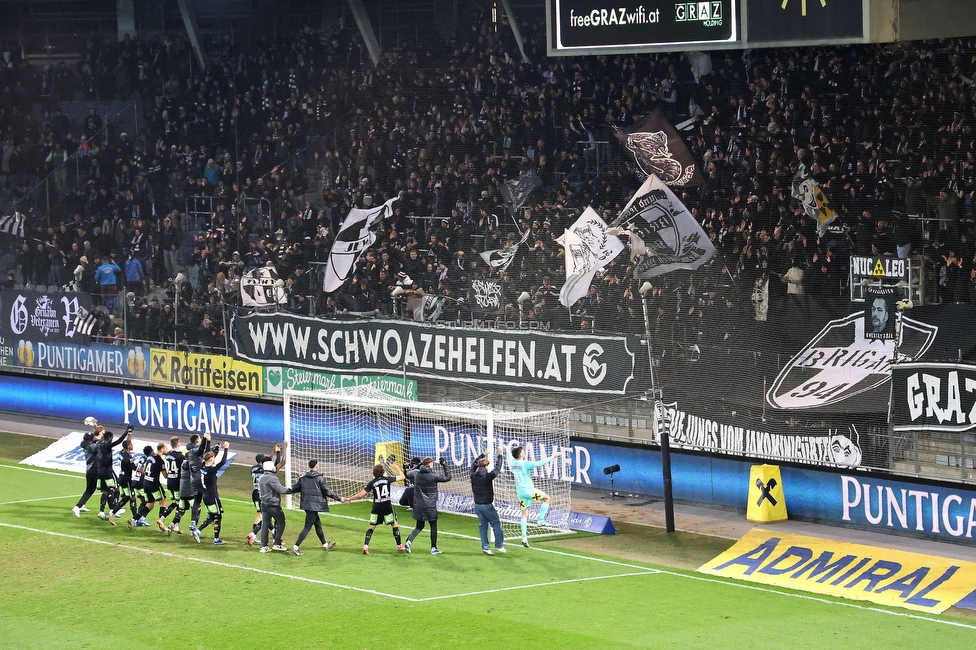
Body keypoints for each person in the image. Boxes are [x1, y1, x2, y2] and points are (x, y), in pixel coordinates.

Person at [343, 462, 406, 555]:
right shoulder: (387, 479)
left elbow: (361, 495)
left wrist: (350, 499)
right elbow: (402, 477)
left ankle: (366, 546)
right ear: (383, 472)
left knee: (372, 527)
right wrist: (397, 469)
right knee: (394, 524)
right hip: (386, 507)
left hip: (376, 507)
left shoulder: (372, 483)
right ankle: (399, 545)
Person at [509, 444, 564, 547]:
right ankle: (541, 520)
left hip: (520, 494)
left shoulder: (512, 462)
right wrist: (553, 456)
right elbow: (539, 463)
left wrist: (506, 449)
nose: (524, 452)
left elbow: (509, 455)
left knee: (524, 514)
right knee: (547, 498)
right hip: (529, 492)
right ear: (520, 454)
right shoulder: (525, 463)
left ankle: (524, 538)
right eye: (523, 451)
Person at [288, 459, 342, 555]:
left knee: (317, 525)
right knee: (307, 527)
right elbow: (327, 491)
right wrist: (339, 498)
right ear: (316, 466)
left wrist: (283, 490)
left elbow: (294, 488)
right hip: (314, 506)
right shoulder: (319, 478)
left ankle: (325, 545)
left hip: (306, 505)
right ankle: (295, 547)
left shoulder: (303, 478)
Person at [405, 457, 451, 555]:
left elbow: (407, 473)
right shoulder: (434, 475)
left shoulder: (416, 474)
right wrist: (444, 465)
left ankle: (409, 541)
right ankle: (433, 548)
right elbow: (448, 477)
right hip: (430, 506)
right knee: (433, 526)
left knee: (419, 526)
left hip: (418, 505)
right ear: (430, 464)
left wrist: (419, 465)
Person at [247, 443, 285, 546]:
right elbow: (278, 463)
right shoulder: (266, 471)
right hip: (263, 494)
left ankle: (261, 535)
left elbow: (267, 461)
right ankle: (255, 534)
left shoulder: (254, 469)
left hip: (254, 493)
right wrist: (279, 452)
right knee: (266, 517)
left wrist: (274, 451)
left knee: (261, 515)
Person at [471, 446, 507, 555]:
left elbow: (473, 464)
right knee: (495, 523)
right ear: (486, 466)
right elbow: (497, 468)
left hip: (477, 504)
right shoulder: (487, 476)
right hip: (486, 505)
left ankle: (485, 547)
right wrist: (500, 455)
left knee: (483, 525)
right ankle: (499, 545)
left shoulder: (472, 475)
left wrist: (483, 454)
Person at [94, 424, 132, 525]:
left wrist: (96, 428)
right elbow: (119, 441)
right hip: (107, 471)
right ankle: (114, 509)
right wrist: (126, 432)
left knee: (105, 491)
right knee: (116, 488)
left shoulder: (99, 444)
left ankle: (101, 511)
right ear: (110, 438)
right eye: (111, 438)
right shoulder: (106, 445)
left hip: (99, 471)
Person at [194, 442, 230, 544]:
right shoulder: (211, 470)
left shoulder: (202, 467)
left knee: (211, 516)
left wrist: (216, 449)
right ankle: (216, 539)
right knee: (218, 517)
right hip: (212, 496)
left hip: (206, 496)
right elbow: (223, 462)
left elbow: (209, 457)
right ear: (211, 460)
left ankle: (198, 530)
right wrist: (226, 449)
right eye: (213, 458)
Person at [257, 459, 291, 552]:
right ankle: (277, 543)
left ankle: (263, 546)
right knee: (281, 522)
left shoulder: (261, 477)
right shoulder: (272, 478)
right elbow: (280, 489)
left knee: (265, 524)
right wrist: (292, 490)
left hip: (264, 504)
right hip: (273, 505)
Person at [72, 417, 100, 517]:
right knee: (108, 487)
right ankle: (77, 507)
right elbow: (99, 444)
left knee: (89, 489)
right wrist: (101, 436)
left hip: (89, 470)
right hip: (94, 470)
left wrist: (96, 429)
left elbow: (95, 440)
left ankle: (81, 505)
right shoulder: (91, 447)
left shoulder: (86, 445)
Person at [158, 436, 184, 532]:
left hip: (169, 482)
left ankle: (164, 520)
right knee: (179, 504)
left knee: (174, 502)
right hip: (177, 482)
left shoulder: (168, 455)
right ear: (178, 444)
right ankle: (173, 524)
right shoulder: (181, 456)